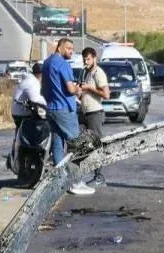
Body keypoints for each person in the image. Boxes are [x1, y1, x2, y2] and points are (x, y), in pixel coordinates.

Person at [41, 38, 91, 195]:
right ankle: (75, 182)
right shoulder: (63, 64)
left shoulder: (46, 63)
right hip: (64, 109)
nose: (71, 51)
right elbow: (70, 88)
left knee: (57, 145)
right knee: (77, 145)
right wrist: (78, 90)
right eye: (68, 48)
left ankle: (60, 181)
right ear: (59, 47)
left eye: (72, 49)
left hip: (51, 109)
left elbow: (43, 89)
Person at [77, 46, 111, 187]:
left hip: (95, 113)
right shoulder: (86, 72)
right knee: (82, 144)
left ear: (94, 58)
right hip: (84, 112)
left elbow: (106, 94)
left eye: (88, 59)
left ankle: (99, 177)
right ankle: (80, 175)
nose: (86, 62)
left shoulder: (98, 73)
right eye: (84, 59)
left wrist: (90, 88)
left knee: (96, 145)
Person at [10, 62, 45, 127]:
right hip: (22, 113)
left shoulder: (29, 79)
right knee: (42, 123)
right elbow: (35, 99)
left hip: (16, 111)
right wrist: (48, 103)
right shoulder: (33, 82)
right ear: (41, 74)